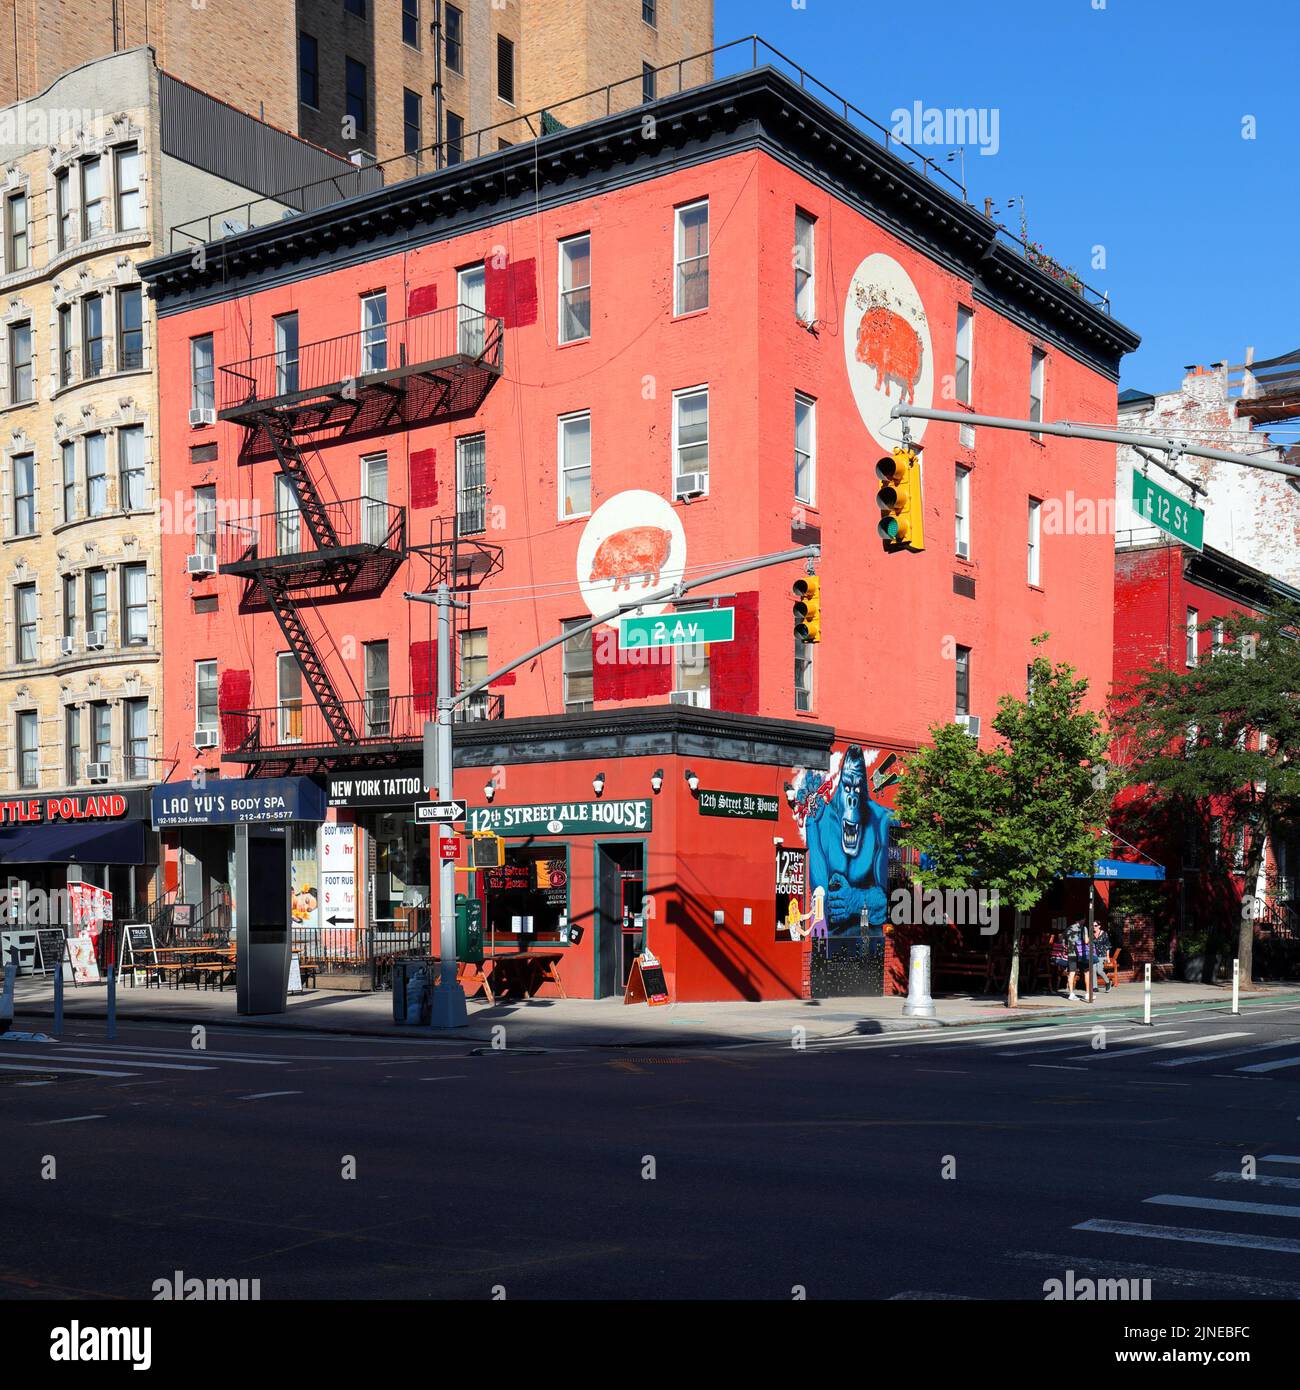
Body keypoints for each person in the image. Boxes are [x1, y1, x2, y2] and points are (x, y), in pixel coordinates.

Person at [1065, 918, 1090, 1001]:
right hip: (1081, 954)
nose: (1084, 921)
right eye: (1084, 919)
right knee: (1087, 972)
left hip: (1071, 953)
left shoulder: (1069, 928)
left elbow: (1063, 940)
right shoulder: (1083, 928)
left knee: (1071, 973)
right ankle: (1087, 994)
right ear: (1082, 920)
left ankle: (1071, 994)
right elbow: (1086, 941)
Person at [1092, 923, 1114, 991]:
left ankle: (1107, 982)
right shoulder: (1091, 934)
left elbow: (1108, 945)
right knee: (1093, 970)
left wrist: (1107, 957)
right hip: (1094, 955)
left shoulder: (1104, 934)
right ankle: (1095, 987)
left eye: (1095, 925)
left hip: (1102, 955)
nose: (1094, 927)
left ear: (1099, 926)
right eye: (1093, 926)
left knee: (1099, 971)